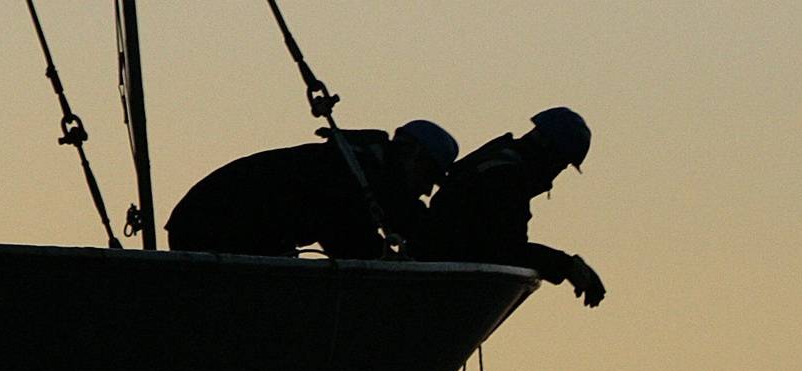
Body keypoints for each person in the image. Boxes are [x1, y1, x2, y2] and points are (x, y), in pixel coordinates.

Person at [165, 119, 458, 258]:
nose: (425, 190)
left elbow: (400, 215)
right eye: (429, 177)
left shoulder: (361, 170)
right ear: (413, 157)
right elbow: (349, 239)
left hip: (207, 224)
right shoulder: (350, 173)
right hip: (210, 228)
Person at [418, 107, 606, 307]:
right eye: (561, 163)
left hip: (439, 272)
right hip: (444, 284)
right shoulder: (505, 177)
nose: (555, 174)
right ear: (547, 149)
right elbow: (503, 250)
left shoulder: (496, 163)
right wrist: (567, 266)